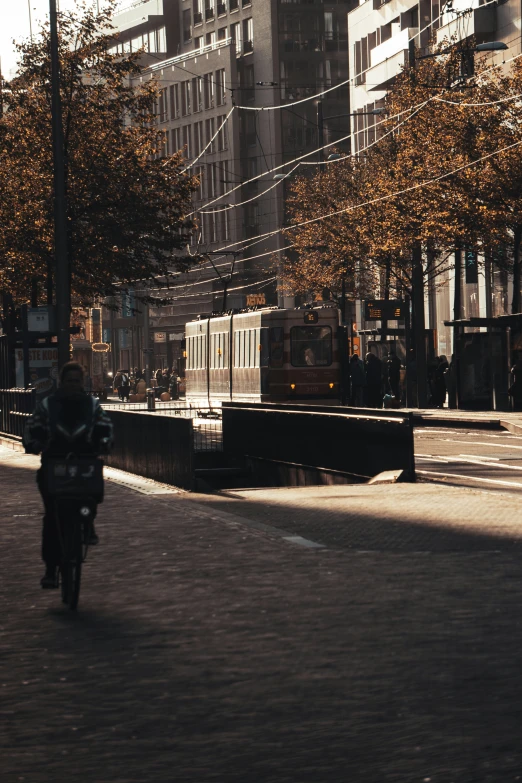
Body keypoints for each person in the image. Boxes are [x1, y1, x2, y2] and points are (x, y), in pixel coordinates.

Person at [23, 362, 113, 589]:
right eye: (69, 381)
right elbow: (33, 426)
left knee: (90, 498)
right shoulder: (47, 406)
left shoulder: (92, 406)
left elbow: (105, 426)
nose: (73, 385)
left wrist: (105, 441)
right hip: (55, 462)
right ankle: (51, 569)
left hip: (83, 461)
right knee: (52, 516)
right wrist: (33, 441)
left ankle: (87, 523)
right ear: (61, 382)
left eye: (77, 381)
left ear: (81, 383)